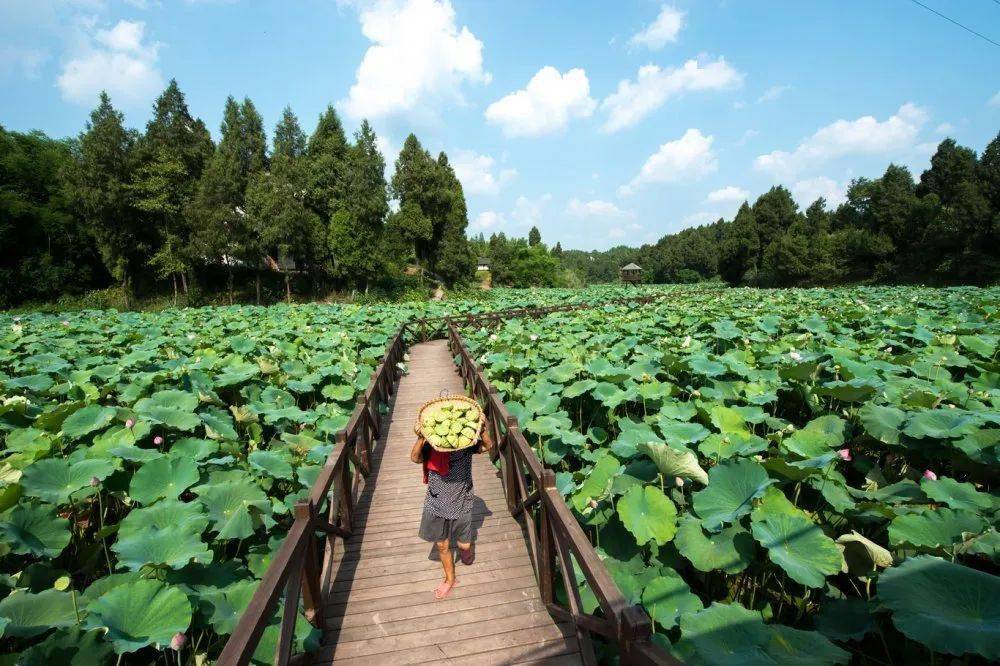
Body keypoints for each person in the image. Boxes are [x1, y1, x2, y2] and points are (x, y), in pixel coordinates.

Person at [410, 415, 493, 599]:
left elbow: (488, 446)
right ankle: (450, 579)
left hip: (461, 498)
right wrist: (421, 436)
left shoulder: (465, 444)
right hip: (436, 500)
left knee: (464, 544)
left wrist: (482, 429)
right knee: (442, 545)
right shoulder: (431, 445)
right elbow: (414, 457)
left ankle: (466, 549)